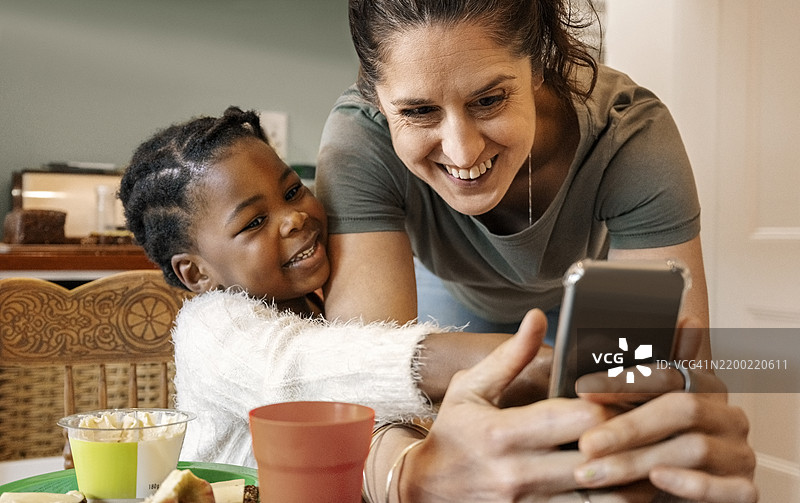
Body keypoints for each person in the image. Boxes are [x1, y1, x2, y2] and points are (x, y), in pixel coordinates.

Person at [120, 108, 755, 503]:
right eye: (254, 222)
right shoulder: (210, 328)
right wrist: (534, 362)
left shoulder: (322, 296)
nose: (293, 218)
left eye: (292, 190)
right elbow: (303, 372)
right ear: (195, 273)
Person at [314, 0, 756, 501]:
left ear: (539, 63)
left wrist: (659, 441)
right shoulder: (358, 141)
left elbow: (662, 398)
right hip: (448, 297)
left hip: (579, 296)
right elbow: (360, 404)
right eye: (418, 112)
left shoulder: (629, 133)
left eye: (489, 100)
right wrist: (413, 473)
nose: (462, 151)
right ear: (375, 96)